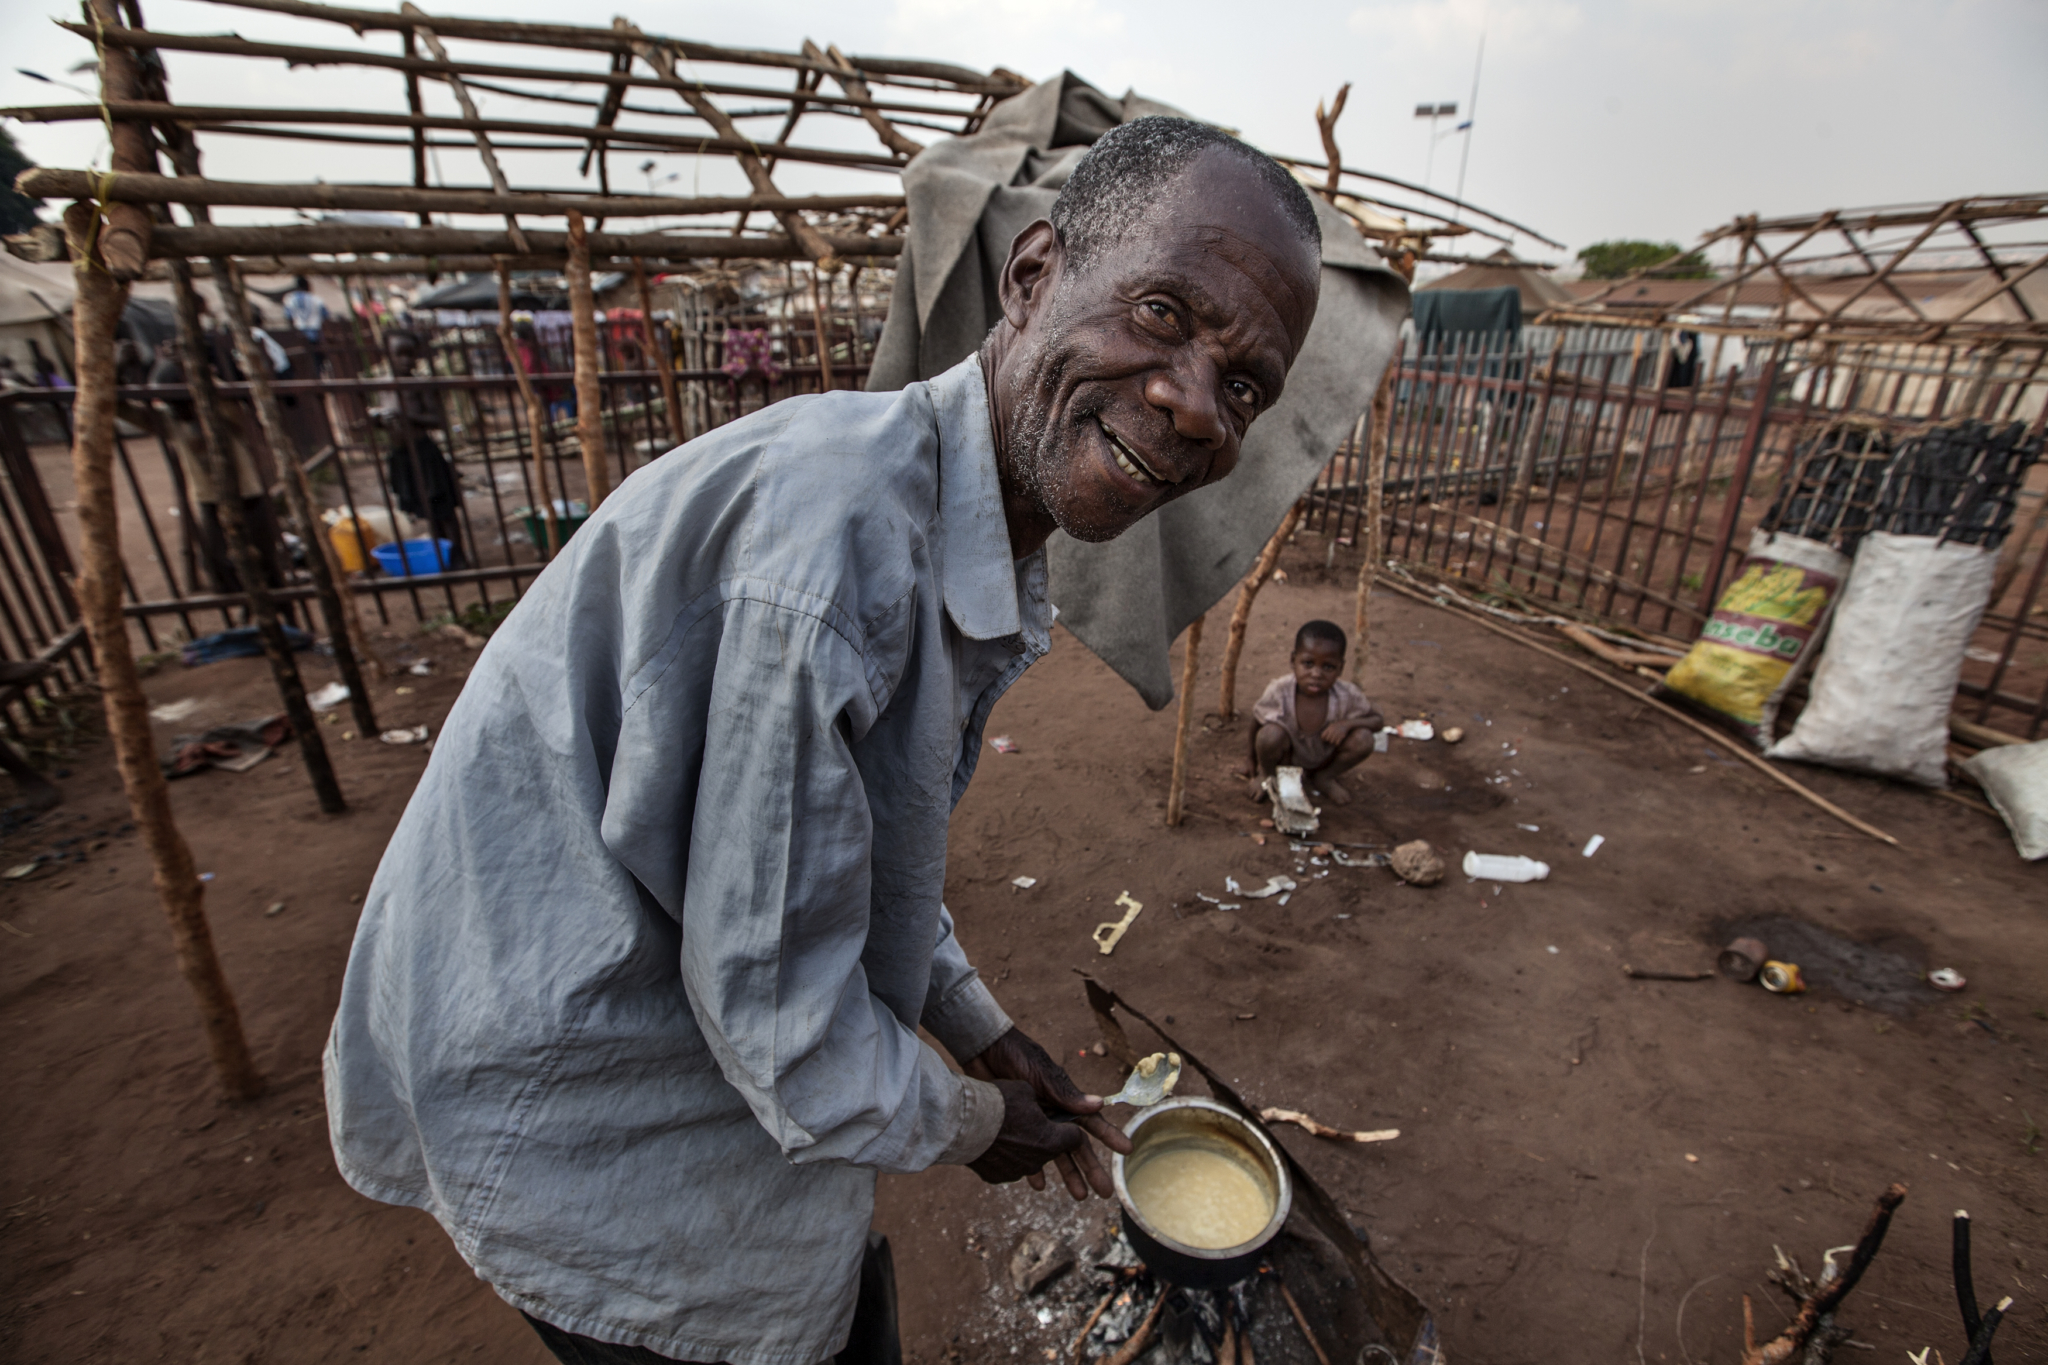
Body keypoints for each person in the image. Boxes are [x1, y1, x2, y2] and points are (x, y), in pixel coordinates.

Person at [324, 116, 1324, 1365]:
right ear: (1030, 277)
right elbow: (785, 1034)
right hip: (581, 1105)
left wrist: (969, 1021)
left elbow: (848, 845)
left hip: (664, 1030)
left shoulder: (946, 526)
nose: (1192, 408)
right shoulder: (828, 556)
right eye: (1164, 315)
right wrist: (975, 1122)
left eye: (1243, 388)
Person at [1245, 619, 1384, 806]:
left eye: (1328, 667)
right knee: (1269, 734)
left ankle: (1324, 778)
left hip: (1324, 759)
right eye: (1308, 663)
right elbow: (1257, 719)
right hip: (1286, 759)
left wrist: (1346, 725)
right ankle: (1268, 776)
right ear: (1293, 661)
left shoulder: (1347, 695)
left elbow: (1377, 721)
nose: (1316, 674)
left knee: (1364, 739)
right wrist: (1250, 759)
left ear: (1340, 668)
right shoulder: (1279, 690)